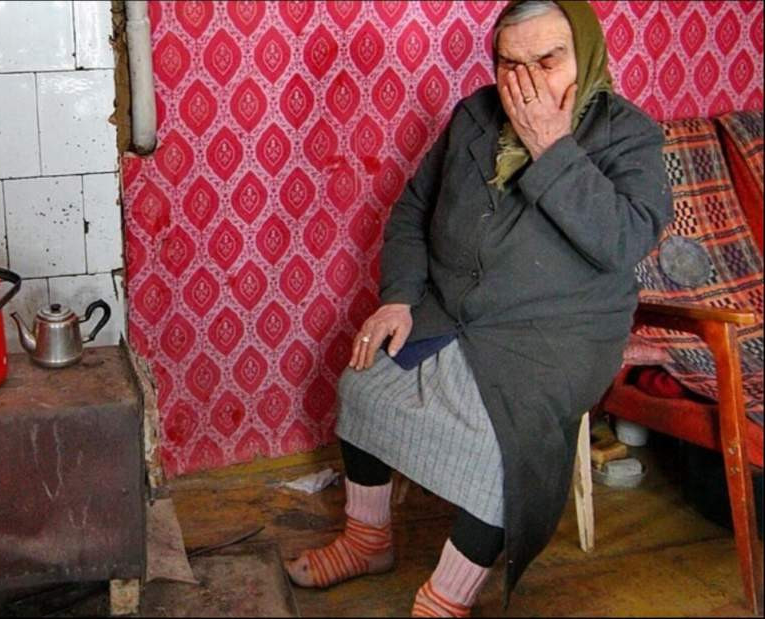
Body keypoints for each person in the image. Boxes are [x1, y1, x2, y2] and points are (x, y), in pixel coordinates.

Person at [283, 1, 673, 616]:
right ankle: (367, 540)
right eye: (509, 63)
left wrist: (551, 146)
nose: (526, 82)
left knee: (501, 450)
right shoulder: (474, 115)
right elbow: (413, 208)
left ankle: (449, 595)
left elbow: (625, 240)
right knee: (364, 381)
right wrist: (399, 298)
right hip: (452, 313)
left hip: (557, 337)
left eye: (548, 61)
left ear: (586, 54)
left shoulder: (629, 134)